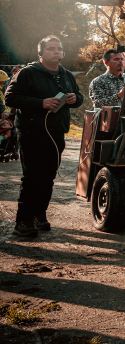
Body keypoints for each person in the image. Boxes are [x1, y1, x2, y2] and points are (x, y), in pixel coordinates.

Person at [4, 36, 84, 237]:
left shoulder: (67, 75)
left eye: (59, 48)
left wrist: (75, 99)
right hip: (31, 132)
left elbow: (79, 96)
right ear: (40, 53)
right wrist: (41, 103)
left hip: (56, 132)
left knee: (48, 177)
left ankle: (40, 215)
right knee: (32, 177)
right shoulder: (27, 73)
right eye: (51, 49)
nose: (56, 52)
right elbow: (10, 98)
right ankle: (23, 221)